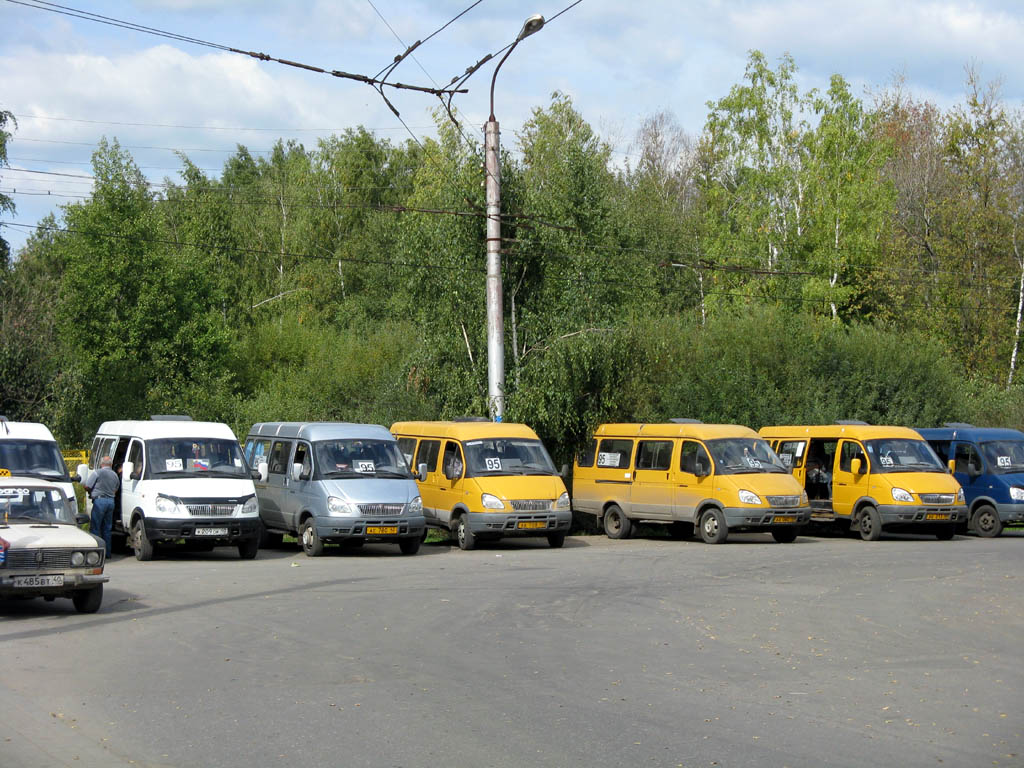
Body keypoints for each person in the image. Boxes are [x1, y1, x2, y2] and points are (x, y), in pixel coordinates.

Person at [84, 455, 119, 557]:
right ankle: (107, 553)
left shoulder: (97, 472)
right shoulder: (115, 475)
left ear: (101, 463)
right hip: (111, 502)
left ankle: (95, 553)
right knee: (107, 529)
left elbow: (87, 486)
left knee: (95, 528)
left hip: (100, 501)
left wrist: (90, 490)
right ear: (111, 464)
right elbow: (116, 489)